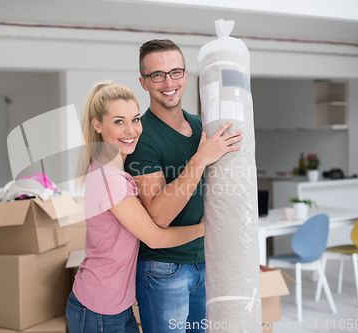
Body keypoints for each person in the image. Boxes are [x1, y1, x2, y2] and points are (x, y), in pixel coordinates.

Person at [66, 81, 205, 333]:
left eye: (136, 119)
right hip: (99, 309)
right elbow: (155, 238)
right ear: (97, 125)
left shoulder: (114, 171)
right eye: (119, 121)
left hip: (116, 306)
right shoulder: (109, 179)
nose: (131, 130)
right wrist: (204, 228)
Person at [124, 39, 244, 332]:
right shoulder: (142, 136)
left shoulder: (204, 126)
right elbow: (159, 216)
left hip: (206, 260)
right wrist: (200, 159)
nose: (169, 82)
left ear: (186, 75)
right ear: (143, 82)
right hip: (164, 270)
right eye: (157, 75)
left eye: (175, 72)